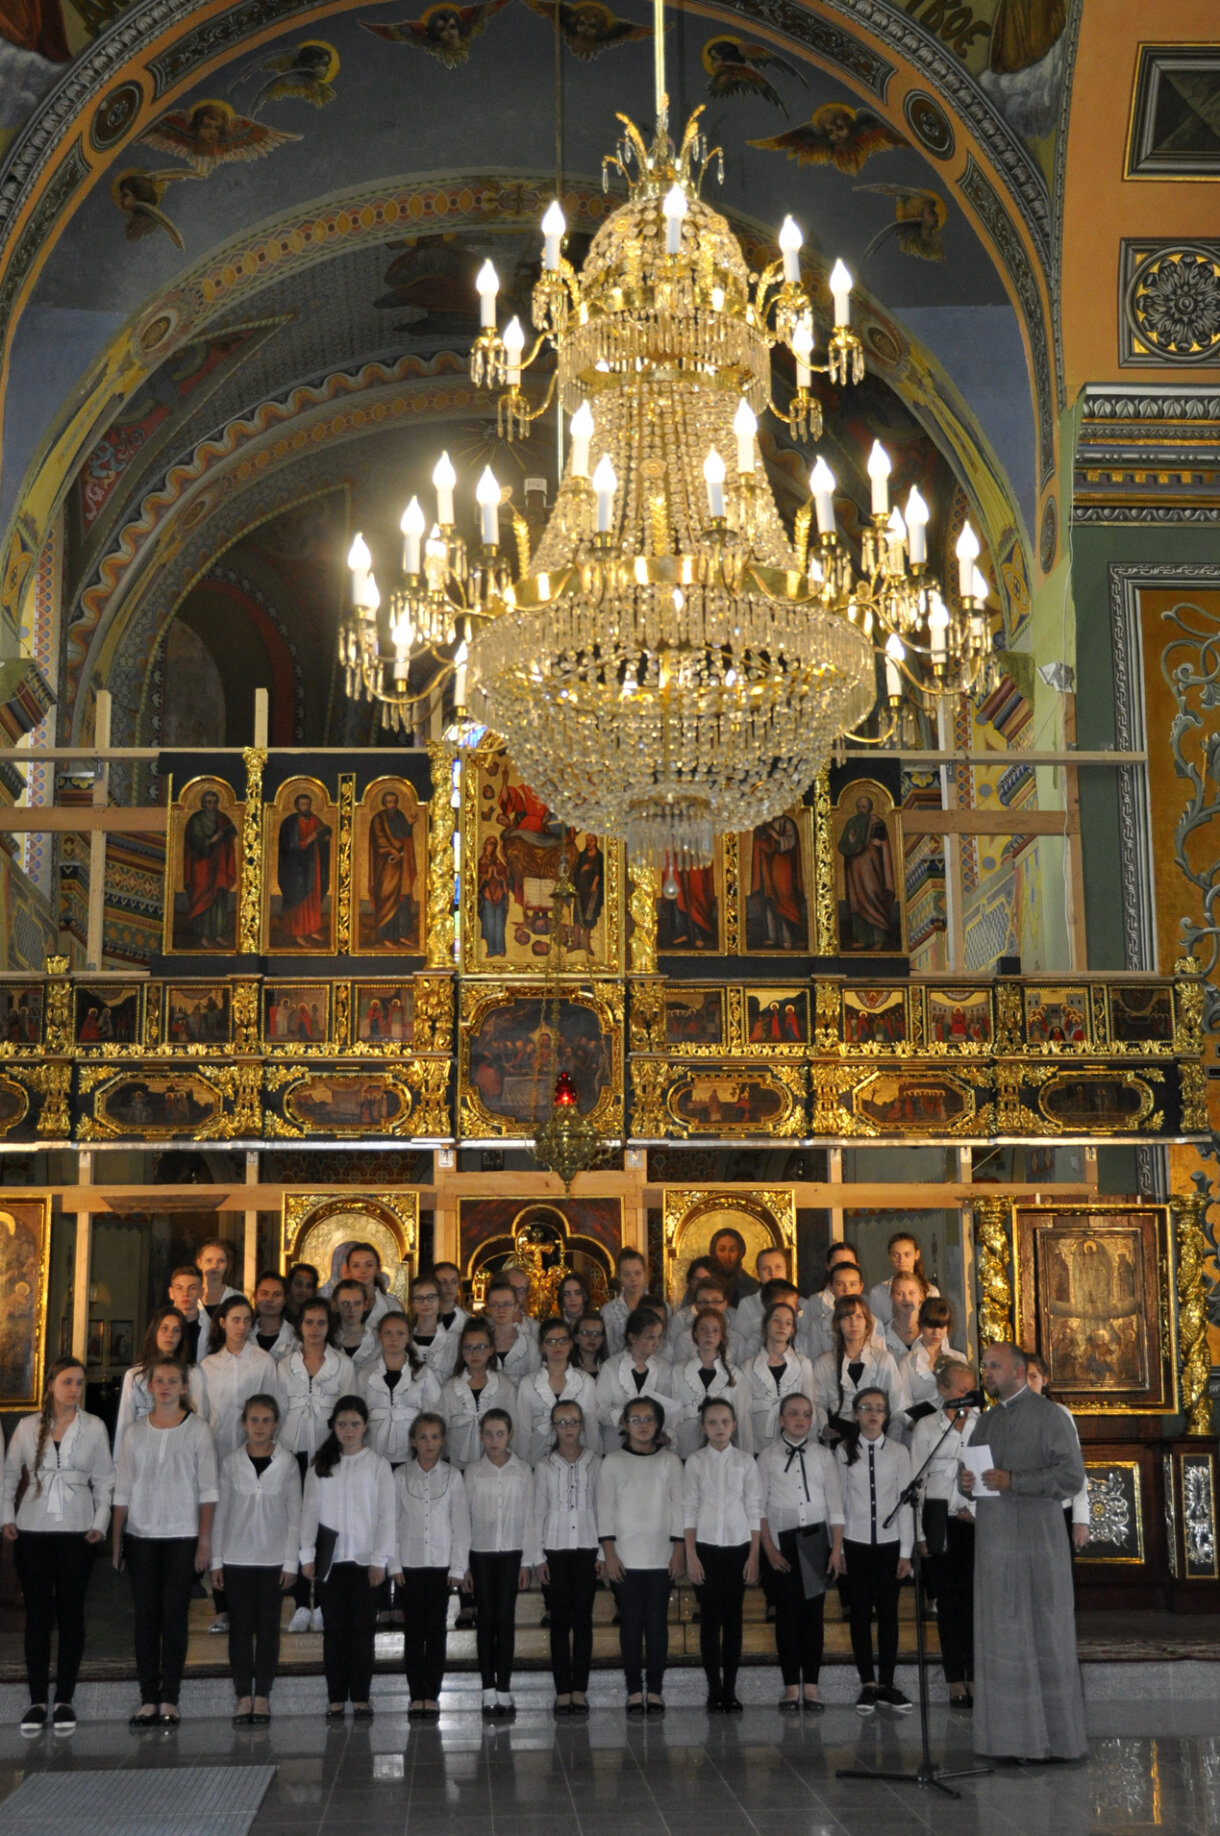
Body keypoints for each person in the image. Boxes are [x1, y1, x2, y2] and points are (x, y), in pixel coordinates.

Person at [958, 1341, 1087, 1761]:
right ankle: (1006, 1741)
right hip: (995, 1544)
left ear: (1018, 1371)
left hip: (1038, 1541)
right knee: (1002, 1633)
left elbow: (1071, 1477)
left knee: (1044, 1629)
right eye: (985, 1367)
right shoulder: (985, 1422)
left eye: (994, 1366)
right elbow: (975, 1478)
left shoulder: (1050, 1416)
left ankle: (1056, 1742)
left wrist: (1016, 1481)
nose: (986, 1374)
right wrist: (967, 1484)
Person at [2, 1358, 114, 1736]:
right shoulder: (27, 1426)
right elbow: (8, 1475)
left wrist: (100, 1522)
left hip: (77, 1531)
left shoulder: (94, 1427)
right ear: (50, 1384)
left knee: (71, 1614)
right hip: (33, 1529)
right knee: (37, 1615)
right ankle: (37, 1701)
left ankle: (64, 1698)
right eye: (67, 1382)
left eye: (80, 1383)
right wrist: (7, 1516)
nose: (74, 1389)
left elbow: (105, 1480)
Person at [112, 1358, 219, 1728]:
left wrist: (204, 1542)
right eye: (159, 1381)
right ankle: (148, 1699)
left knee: (174, 1617)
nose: (166, 1387)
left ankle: (170, 1696)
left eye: (173, 1381)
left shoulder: (199, 1431)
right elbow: (122, 1490)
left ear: (184, 1387)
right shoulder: (134, 1432)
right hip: (141, 1537)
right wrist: (117, 1541)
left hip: (182, 1537)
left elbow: (208, 1492)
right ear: (149, 1387)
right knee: (145, 1618)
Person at [299, 1395, 395, 1721]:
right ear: (334, 1427)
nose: (349, 1430)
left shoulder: (377, 1465)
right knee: (335, 1632)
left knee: (363, 1632)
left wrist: (380, 1559)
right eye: (342, 1424)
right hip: (331, 1563)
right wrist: (306, 1555)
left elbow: (386, 1515)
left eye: (355, 1424)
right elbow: (309, 1512)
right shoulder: (321, 1465)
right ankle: (336, 1698)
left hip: (366, 1563)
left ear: (365, 1426)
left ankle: (362, 1698)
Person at [211, 1392, 302, 1725]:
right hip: (236, 1558)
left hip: (273, 1560)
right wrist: (217, 1560)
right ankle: (242, 1696)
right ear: (244, 1423)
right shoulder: (230, 1463)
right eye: (254, 1420)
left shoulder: (288, 1463)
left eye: (266, 1420)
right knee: (239, 1630)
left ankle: (262, 1695)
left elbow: (295, 1517)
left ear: (276, 1424)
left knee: (268, 1630)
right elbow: (220, 1514)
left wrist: (291, 1562)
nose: (260, 1426)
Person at [200, 1296, 283, 1634]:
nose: (242, 1326)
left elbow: (274, 1406)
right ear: (222, 1322)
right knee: (221, 1527)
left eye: (247, 1320)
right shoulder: (208, 1366)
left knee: (252, 1524)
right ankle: (223, 1607)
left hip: (255, 1455)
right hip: (219, 1455)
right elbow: (203, 1415)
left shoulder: (263, 1362)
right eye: (235, 1319)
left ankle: (256, 1602)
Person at [597, 1397, 685, 1713]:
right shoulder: (612, 1462)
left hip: (661, 1556)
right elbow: (604, 1509)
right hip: (625, 1557)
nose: (643, 1425)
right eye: (636, 1419)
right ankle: (634, 1690)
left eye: (649, 1419)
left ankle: (656, 1690)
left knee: (657, 1625)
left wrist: (678, 1552)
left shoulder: (671, 1462)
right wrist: (609, 1555)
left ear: (658, 1424)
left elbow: (679, 1507)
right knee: (631, 1625)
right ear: (624, 1424)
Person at [758, 1392, 844, 1712]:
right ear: (781, 1419)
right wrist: (769, 1549)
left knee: (813, 1618)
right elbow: (758, 1507)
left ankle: (812, 1685)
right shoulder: (767, 1457)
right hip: (781, 1545)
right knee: (787, 1617)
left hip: (815, 1542)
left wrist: (836, 1550)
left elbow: (835, 1505)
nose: (800, 1419)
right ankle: (791, 1686)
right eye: (793, 1413)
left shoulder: (824, 1456)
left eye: (806, 1414)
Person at [277, 1298, 354, 1634]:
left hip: (328, 1455)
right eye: (309, 1322)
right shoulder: (285, 1366)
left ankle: (322, 1601)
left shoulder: (342, 1365)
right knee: (297, 1524)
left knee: (325, 1526)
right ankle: (299, 1603)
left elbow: (350, 1410)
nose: (314, 1328)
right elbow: (278, 1409)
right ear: (300, 1326)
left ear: (329, 1326)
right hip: (293, 1453)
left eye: (321, 1322)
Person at [837, 1388, 914, 1715]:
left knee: (888, 1614)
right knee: (859, 1614)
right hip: (854, 1543)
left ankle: (886, 1683)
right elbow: (839, 1500)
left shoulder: (898, 1452)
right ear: (855, 1413)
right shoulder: (843, 1450)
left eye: (879, 1408)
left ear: (886, 1414)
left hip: (889, 1545)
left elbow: (906, 1503)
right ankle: (867, 1683)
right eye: (866, 1408)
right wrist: (838, 1548)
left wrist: (906, 1551)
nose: (873, 1414)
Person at [683, 1398, 761, 1712]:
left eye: (725, 1422)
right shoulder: (695, 1462)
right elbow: (689, 1509)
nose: (719, 1428)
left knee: (733, 1621)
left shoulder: (745, 1462)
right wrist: (691, 1555)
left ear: (734, 1425)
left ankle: (730, 1689)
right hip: (704, 1548)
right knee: (710, 1621)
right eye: (712, 1422)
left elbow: (754, 1509)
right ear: (703, 1427)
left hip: (738, 1548)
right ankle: (713, 1689)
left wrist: (753, 1556)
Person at [910, 1358, 980, 1707]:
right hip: (940, 1522)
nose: (967, 1396)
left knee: (975, 1603)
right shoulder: (927, 1427)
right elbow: (917, 1483)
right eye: (960, 1390)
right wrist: (920, 1536)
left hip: (975, 1523)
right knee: (948, 1605)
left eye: (971, 1390)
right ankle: (954, 1678)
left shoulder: (983, 1425)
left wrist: (976, 1511)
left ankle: (976, 1675)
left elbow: (992, 1473)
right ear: (943, 1390)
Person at [390, 1413, 469, 1719]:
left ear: (443, 1441)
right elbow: (392, 1522)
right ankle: (415, 1695)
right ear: (413, 1441)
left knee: (436, 1631)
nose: (428, 1443)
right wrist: (394, 1564)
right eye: (422, 1437)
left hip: (440, 1565)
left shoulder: (453, 1476)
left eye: (434, 1437)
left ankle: (432, 1694)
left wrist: (458, 1568)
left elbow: (461, 1525)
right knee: (413, 1631)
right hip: (409, 1565)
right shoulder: (400, 1476)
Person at [529, 1401, 601, 1716]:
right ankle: (562, 1690)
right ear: (553, 1426)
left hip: (587, 1547)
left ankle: (580, 1690)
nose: (568, 1428)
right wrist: (537, 1557)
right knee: (559, 1621)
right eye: (561, 1422)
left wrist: (602, 1552)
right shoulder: (544, 1466)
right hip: (555, 1549)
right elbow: (536, 1512)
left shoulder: (595, 1462)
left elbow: (601, 1507)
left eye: (573, 1421)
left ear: (582, 1424)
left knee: (583, 1620)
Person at [461, 1408, 532, 1718]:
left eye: (500, 1433)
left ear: (510, 1435)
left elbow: (530, 1517)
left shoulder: (522, 1470)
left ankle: (504, 1688)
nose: (494, 1440)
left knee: (505, 1620)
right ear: (481, 1436)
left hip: (512, 1553)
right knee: (486, 1620)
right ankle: (487, 1689)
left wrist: (527, 1562)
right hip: (481, 1552)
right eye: (488, 1434)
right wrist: (463, 1564)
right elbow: (463, 1519)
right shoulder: (473, 1471)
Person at [113, 1308, 207, 1461]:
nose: (170, 1335)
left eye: (176, 1330)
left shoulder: (193, 1373)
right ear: (155, 1332)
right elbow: (125, 1424)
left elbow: (200, 1418)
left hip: (181, 1451)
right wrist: (119, 1463)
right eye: (164, 1328)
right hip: (143, 1451)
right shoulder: (136, 1376)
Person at [814, 1296, 905, 1444]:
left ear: (867, 1323)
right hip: (839, 1439)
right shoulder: (824, 1363)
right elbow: (818, 1403)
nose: (853, 1323)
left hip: (878, 1438)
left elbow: (898, 1406)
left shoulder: (884, 1359)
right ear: (838, 1323)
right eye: (847, 1317)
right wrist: (824, 1426)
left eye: (859, 1317)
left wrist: (889, 1442)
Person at [1024, 1351, 1091, 1550]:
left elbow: (1074, 1467)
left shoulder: (1058, 1413)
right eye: (1023, 1377)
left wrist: (1080, 1518)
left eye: (1033, 1376)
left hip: (1058, 1507)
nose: (1027, 1383)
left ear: (1044, 1380)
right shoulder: (1006, 1416)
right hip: (1024, 1511)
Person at [359, 1311, 442, 1468]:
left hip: (411, 1454)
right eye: (388, 1333)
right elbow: (357, 1415)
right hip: (374, 1453)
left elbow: (435, 1415)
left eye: (400, 1333)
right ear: (379, 1336)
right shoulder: (366, 1374)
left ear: (409, 1337)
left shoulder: (423, 1374)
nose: (394, 1338)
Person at [438, 1318, 522, 1471]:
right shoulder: (450, 1388)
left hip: (496, 1466)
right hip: (457, 1466)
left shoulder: (505, 1387)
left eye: (481, 1347)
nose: (474, 1353)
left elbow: (513, 1428)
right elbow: (441, 1429)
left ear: (491, 1350)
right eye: (468, 1347)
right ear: (462, 1350)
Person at [670, 1308, 751, 1458]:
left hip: (723, 1454)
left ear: (722, 1336)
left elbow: (742, 1420)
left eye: (715, 1330)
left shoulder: (735, 1375)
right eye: (703, 1329)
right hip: (685, 1451)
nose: (709, 1334)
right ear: (695, 1334)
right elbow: (672, 1417)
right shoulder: (678, 1372)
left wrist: (746, 1456)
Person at [595, 1306, 675, 1455]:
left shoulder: (664, 1368)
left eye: (659, 1337)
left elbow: (672, 1408)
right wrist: (624, 1418)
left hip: (653, 1448)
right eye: (650, 1337)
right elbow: (599, 1407)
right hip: (617, 1448)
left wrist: (667, 1433)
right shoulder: (611, 1367)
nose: (656, 1343)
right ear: (632, 1337)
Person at [517, 1318, 598, 1463]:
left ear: (571, 1344)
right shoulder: (528, 1383)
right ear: (542, 1346)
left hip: (578, 1460)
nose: (557, 1346)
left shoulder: (586, 1382)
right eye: (551, 1341)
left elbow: (591, 1427)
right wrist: (523, 1465)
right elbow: (523, 1429)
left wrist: (594, 1461)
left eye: (562, 1340)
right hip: (538, 1459)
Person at [741, 1302, 818, 1450]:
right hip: (759, 1445)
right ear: (765, 1326)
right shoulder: (749, 1366)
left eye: (788, 1323)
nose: (782, 1326)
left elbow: (811, 1406)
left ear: (792, 1330)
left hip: (795, 1444)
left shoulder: (803, 1364)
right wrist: (747, 1452)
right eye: (777, 1321)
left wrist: (809, 1447)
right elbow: (744, 1414)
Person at [798, 1257, 886, 1362]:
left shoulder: (873, 1322)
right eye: (840, 1284)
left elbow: (880, 1360)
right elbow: (813, 1361)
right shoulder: (818, 1325)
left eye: (853, 1284)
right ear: (830, 1287)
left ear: (860, 1287)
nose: (847, 1289)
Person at [182, 787, 238, 948]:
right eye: (208, 802)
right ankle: (204, 936)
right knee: (203, 898)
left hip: (219, 865)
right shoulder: (196, 820)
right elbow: (195, 842)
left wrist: (226, 835)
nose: (212, 805)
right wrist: (213, 840)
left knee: (219, 898)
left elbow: (233, 833)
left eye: (214, 802)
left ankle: (218, 933)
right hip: (202, 866)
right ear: (203, 804)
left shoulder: (223, 818)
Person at [277, 791, 332, 945]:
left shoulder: (315, 819)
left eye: (308, 804)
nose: (306, 807)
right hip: (297, 870)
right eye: (303, 804)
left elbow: (323, 837)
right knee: (298, 899)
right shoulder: (290, 823)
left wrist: (325, 836)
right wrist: (309, 839)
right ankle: (297, 932)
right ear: (297, 806)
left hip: (313, 866)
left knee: (312, 897)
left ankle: (312, 929)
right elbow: (289, 847)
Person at [368, 787, 417, 947]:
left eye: (394, 802)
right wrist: (390, 849)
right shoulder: (378, 819)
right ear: (384, 803)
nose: (392, 805)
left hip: (401, 863)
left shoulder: (400, 816)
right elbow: (378, 839)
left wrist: (410, 824)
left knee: (403, 897)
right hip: (385, 865)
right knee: (387, 896)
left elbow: (405, 834)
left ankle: (402, 934)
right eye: (389, 802)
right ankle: (386, 936)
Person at [899, 1297, 963, 1419]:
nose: (936, 1333)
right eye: (930, 1327)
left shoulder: (959, 1359)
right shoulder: (907, 1362)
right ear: (921, 1326)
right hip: (919, 1426)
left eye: (941, 1327)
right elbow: (903, 1406)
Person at [867, 1232, 939, 1327]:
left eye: (907, 1254)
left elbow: (935, 1327)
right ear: (889, 1257)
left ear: (917, 1254)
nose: (901, 1260)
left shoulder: (931, 1292)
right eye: (896, 1255)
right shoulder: (878, 1294)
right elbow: (874, 1331)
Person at [736, 1247, 794, 1353]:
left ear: (787, 1270)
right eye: (766, 1269)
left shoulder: (802, 1304)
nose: (773, 1273)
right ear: (758, 1273)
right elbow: (741, 1345)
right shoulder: (747, 1305)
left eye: (778, 1267)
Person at [484, 1274, 542, 1380]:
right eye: (495, 1305)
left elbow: (536, 1379)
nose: (501, 1310)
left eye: (506, 1304)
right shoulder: (481, 1341)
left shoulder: (530, 1344)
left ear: (515, 1306)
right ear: (488, 1308)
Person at [337, 1242, 404, 1331]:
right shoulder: (338, 1308)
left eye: (369, 1265)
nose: (363, 1270)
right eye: (356, 1265)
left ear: (377, 1269)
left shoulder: (392, 1307)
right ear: (349, 1270)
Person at [408, 1272, 461, 1381]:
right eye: (419, 1298)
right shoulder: (404, 1339)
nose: (425, 1303)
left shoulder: (454, 1340)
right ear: (412, 1303)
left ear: (439, 1301)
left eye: (431, 1297)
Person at [600, 1248, 651, 1356]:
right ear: (619, 1276)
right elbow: (607, 1347)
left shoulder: (658, 1307)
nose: (633, 1279)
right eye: (626, 1274)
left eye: (638, 1273)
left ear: (645, 1273)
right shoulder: (608, 1311)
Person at [333, 1278, 380, 1369]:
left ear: (365, 1305)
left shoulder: (378, 1340)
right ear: (335, 1306)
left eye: (357, 1303)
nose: (351, 1309)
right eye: (345, 1303)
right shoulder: (329, 1339)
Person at [883, 1272, 930, 1361]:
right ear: (892, 1296)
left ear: (921, 1296)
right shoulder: (884, 1335)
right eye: (899, 1293)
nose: (906, 1299)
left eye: (911, 1293)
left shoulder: (934, 1331)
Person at [167, 1265, 208, 1364]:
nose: (185, 1293)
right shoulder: (160, 1327)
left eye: (192, 1288)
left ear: (201, 1292)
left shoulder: (210, 1328)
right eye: (179, 1288)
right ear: (171, 1293)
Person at [251, 1271, 296, 1361]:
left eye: (276, 1295)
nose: (269, 1299)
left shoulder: (295, 1336)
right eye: (264, 1293)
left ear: (285, 1299)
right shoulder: (246, 1333)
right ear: (255, 1297)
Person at [709, 1226, 758, 1303]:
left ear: (740, 1253)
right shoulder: (705, 1282)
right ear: (714, 1252)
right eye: (722, 1250)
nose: (727, 1256)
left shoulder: (752, 1285)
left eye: (732, 1250)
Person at [199, 1239, 241, 1316]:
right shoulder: (188, 1296)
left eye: (221, 1261)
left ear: (227, 1265)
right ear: (199, 1263)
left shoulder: (236, 1297)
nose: (215, 1266)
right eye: (209, 1260)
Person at [431, 1261, 470, 1339]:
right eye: (443, 1282)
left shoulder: (467, 1320)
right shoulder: (426, 1317)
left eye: (454, 1282)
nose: (449, 1287)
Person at [572, 1311, 609, 1375]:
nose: (592, 1338)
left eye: (597, 1334)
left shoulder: (608, 1368)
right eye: (586, 1333)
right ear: (576, 1338)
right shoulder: (567, 1368)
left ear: (602, 1339)